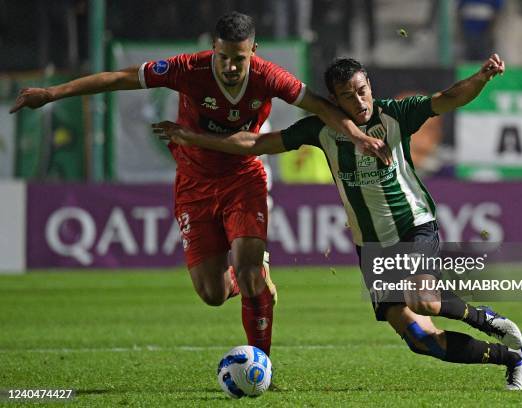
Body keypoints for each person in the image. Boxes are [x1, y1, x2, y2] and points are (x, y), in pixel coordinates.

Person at [9, 11, 390, 357]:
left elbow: (322, 107)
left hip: (243, 177)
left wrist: (359, 137)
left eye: (239, 59)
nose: (229, 66)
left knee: (249, 270)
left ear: (252, 52)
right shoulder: (188, 68)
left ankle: (261, 362)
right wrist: (53, 93)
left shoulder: (268, 76)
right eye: (223, 57)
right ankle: (252, 278)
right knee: (213, 294)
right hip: (194, 185)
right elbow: (120, 78)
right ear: (213, 49)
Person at [153, 56, 522, 390]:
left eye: (363, 89)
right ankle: (514, 359)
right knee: (421, 339)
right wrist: (193, 137)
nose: (360, 100)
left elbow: (450, 98)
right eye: (349, 95)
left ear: (370, 85)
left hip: (414, 226)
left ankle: (485, 318)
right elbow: (256, 144)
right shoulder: (322, 130)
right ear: (334, 101)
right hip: (372, 247)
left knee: (424, 297)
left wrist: (482, 76)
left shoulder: (396, 115)